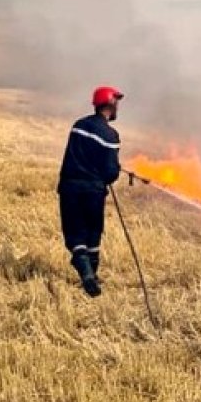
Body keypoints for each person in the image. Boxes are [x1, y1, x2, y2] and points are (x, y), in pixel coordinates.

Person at [57, 86, 123, 297]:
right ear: (111, 104)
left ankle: (86, 274)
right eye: (117, 103)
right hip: (94, 192)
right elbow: (111, 173)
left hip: (70, 188)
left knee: (75, 235)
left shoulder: (79, 125)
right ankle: (91, 275)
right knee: (93, 234)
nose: (118, 107)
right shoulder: (110, 135)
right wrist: (114, 171)